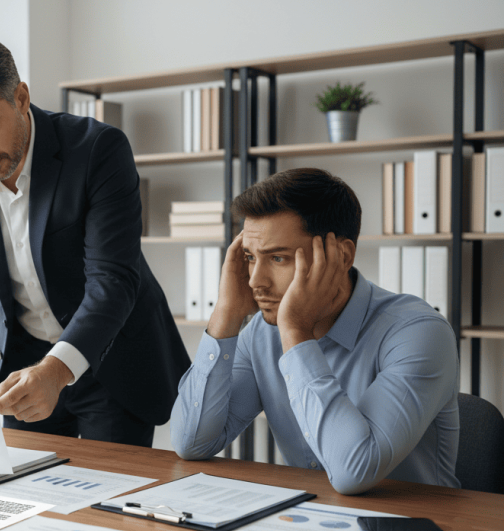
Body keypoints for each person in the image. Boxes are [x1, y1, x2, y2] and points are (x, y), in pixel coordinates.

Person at [0, 34, 190, 447]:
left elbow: (112, 282)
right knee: (24, 497)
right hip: (23, 362)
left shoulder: (97, 150)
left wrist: (56, 370)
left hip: (111, 359)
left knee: (105, 501)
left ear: (19, 97)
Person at [170, 167, 461, 494]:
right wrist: (226, 313)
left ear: (342, 256)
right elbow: (190, 443)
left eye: (278, 258)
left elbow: (355, 472)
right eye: (250, 258)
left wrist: (295, 332)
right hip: (309, 521)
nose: (255, 281)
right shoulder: (261, 334)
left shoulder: (419, 333)